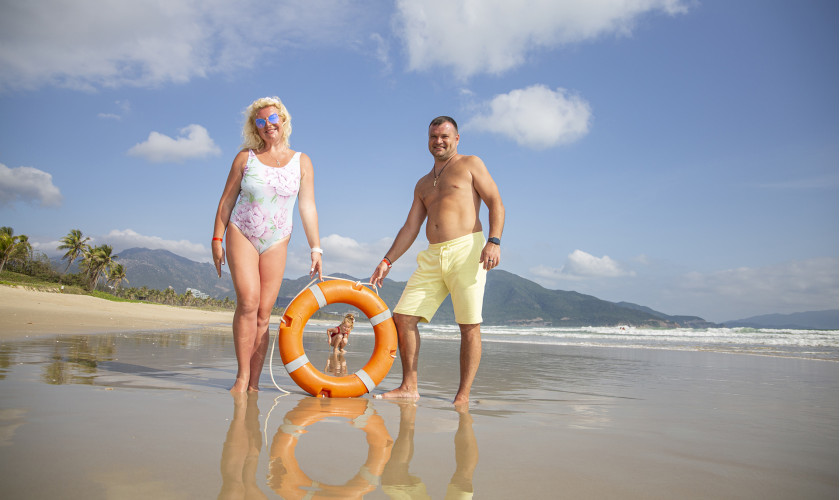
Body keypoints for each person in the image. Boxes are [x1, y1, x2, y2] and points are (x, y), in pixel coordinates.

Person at [370, 116, 504, 406]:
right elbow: (410, 227)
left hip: (467, 250)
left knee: (469, 324)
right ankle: (409, 386)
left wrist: (494, 241)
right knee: (403, 317)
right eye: (433, 137)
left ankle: (462, 395)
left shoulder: (470, 164)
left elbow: (495, 201)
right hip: (432, 256)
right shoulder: (422, 184)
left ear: (457, 139)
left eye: (445, 136)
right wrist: (387, 260)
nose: (439, 141)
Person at [213, 96, 323, 394]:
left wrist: (316, 248)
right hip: (242, 232)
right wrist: (217, 238)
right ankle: (241, 377)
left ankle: (254, 383)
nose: (268, 125)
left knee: (264, 313)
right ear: (255, 127)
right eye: (260, 121)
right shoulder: (245, 158)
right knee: (248, 302)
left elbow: (308, 206)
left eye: (273, 118)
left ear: (283, 121)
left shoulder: (302, 161)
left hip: (277, 239)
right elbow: (226, 201)